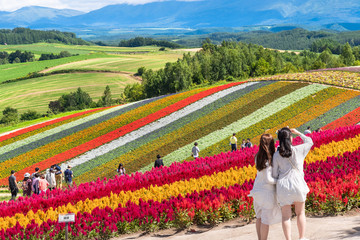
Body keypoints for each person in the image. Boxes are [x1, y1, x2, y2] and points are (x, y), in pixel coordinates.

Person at [272, 128, 313, 240]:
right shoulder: (298, 150)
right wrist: (298, 133)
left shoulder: (276, 155)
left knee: (285, 216)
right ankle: (302, 237)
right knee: (300, 213)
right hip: (298, 184)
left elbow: (274, 174)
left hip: (283, 186)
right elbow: (310, 142)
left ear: (279, 140)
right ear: (291, 138)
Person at [249, 134, 281, 240]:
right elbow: (269, 179)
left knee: (259, 217)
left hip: (257, 190)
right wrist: (279, 181)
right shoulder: (268, 159)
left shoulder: (257, 156)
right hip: (266, 193)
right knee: (265, 221)